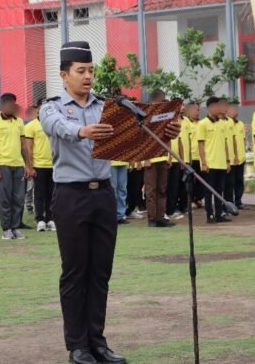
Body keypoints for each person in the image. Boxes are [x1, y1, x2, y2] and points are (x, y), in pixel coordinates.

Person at [41, 41, 180, 364]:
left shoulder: (108, 106)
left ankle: (97, 342)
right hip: (71, 195)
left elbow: (139, 134)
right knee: (75, 272)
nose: (87, 76)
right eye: (81, 71)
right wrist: (83, 131)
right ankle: (77, 345)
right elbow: (55, 127)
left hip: (102, 194)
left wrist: (167, 130)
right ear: (65, 75)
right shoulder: (52, 106)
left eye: (91, 70)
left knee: (101, 271)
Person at [0, 93, 30, 240]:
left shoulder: (19, 122)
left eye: (14, 104)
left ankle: (15, 227)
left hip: (18, 165)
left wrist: (28, 166)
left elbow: (24, 146)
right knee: (5, 198)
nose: (12, 107)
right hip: (3, 165)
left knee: (18, 198)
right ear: (2, 105)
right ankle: (6, 229)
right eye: (9, 104)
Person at [197, 97, 232, 224]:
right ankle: (210, 215)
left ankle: (219, 214)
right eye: (217, 106)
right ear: (210, 108)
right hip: (210, 164)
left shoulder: (222, 124)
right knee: (209, 191)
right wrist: (204, 162)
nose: (219, 109)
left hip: (221, 163)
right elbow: (200, 144)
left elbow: (225, 143)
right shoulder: (203, 124)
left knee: (219, 190)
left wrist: (228, 161)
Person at [144, 89, 175, 228]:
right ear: (154, 101)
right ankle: (151, 219)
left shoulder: (165, 116)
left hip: (163, 156)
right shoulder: (145, 115)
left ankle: (160, 217)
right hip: (151, 158)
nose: (162, 104)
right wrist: (146, 158)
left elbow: (168, 137)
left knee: (162, 189)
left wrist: (169, 156)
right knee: (151, 190)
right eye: (160, 101)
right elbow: (143, 139)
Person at [24, 99, 56, 232]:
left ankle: (50, 218)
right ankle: (40, 219)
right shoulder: (31, 126)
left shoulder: (54, 124)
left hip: (53, 165)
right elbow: (28, 148)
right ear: (37, 109)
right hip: (38, 165)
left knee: (52, 193)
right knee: (39, 193)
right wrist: (30, 167)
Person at [166, 106, 188, 221]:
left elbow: (180, 142)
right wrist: (169, 158)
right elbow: (167, 141)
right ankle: (166, 210)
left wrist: (181, 160)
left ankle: (171, 209)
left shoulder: (180, 121)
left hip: (176, 160)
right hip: (166, 160)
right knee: (166, 187)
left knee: (174, 187)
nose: (183, 108)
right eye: (180, 105)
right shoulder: (167, 121)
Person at [226, 100, 247, 210]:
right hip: (231, 159)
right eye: (233, 108)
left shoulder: (240, 124)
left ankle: (238, 201)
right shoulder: (226, 123)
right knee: (230, 183)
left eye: (236, 108)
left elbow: (243, 140)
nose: (235, 111)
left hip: (240, 158)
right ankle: (230, 203)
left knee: (239, 181)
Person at [184, 102, 204, 210]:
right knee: (190, 181)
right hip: (191, 157)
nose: (197, 112)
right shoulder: (187, 123)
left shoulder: (202, 123)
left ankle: (198, 199)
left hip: (201, 157)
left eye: (198, 110)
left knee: (201, 181)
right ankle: (190, 200)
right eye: (195, 110)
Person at [110, 160, 130, 225]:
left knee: (122, 189)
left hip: (123, 161)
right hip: (111, 163)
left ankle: (120, 216)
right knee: (113, 190)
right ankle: (112, 215)